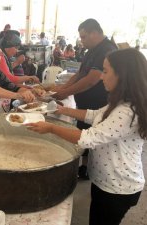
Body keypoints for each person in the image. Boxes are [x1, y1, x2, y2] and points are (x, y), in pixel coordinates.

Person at [27, 48, 147, 225]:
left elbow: (87, 138)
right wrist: (62, 110)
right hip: (106, 180)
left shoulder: (126, 112)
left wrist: (51, 128)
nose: (101, 76)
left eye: (105, 71)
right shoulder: (119, 101)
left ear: (123, 75)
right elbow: (93, 115)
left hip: (118, 187)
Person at [52, 18, 117, 179]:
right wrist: (63, 89)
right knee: (83, 130)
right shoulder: (91, 50)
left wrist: (66, 93)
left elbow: (91, 80)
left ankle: (90, 168)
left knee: (92, 136)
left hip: (98, 102)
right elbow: (81, 74)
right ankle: (85, 167)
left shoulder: (106, 50)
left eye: (84, 37)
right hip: (86, 104)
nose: (81, 41)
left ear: (94, 33)